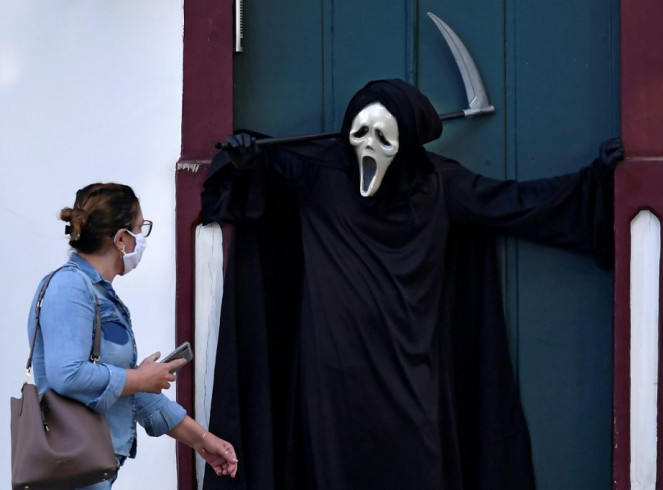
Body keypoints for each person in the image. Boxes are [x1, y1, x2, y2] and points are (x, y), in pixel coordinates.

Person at [201, 79, 623, 490]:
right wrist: (245, 158)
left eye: (383, 137)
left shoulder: (440, 185)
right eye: (360, 132)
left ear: (405, 145)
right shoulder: (317, 176)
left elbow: (516, 203)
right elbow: (252, 174)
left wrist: (597, 183)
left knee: (415, 461)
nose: (368, 145)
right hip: (329, 375)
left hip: (408, 367)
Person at [27, 183, 238, 489]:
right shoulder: (69, 287)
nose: (143, 239)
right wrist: (139, 379)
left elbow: (129, 389)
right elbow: (67, 375)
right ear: (122, 238)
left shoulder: (100, 294)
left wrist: (202, 440)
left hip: (93, 470)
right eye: (141, 229)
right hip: (70, 471)